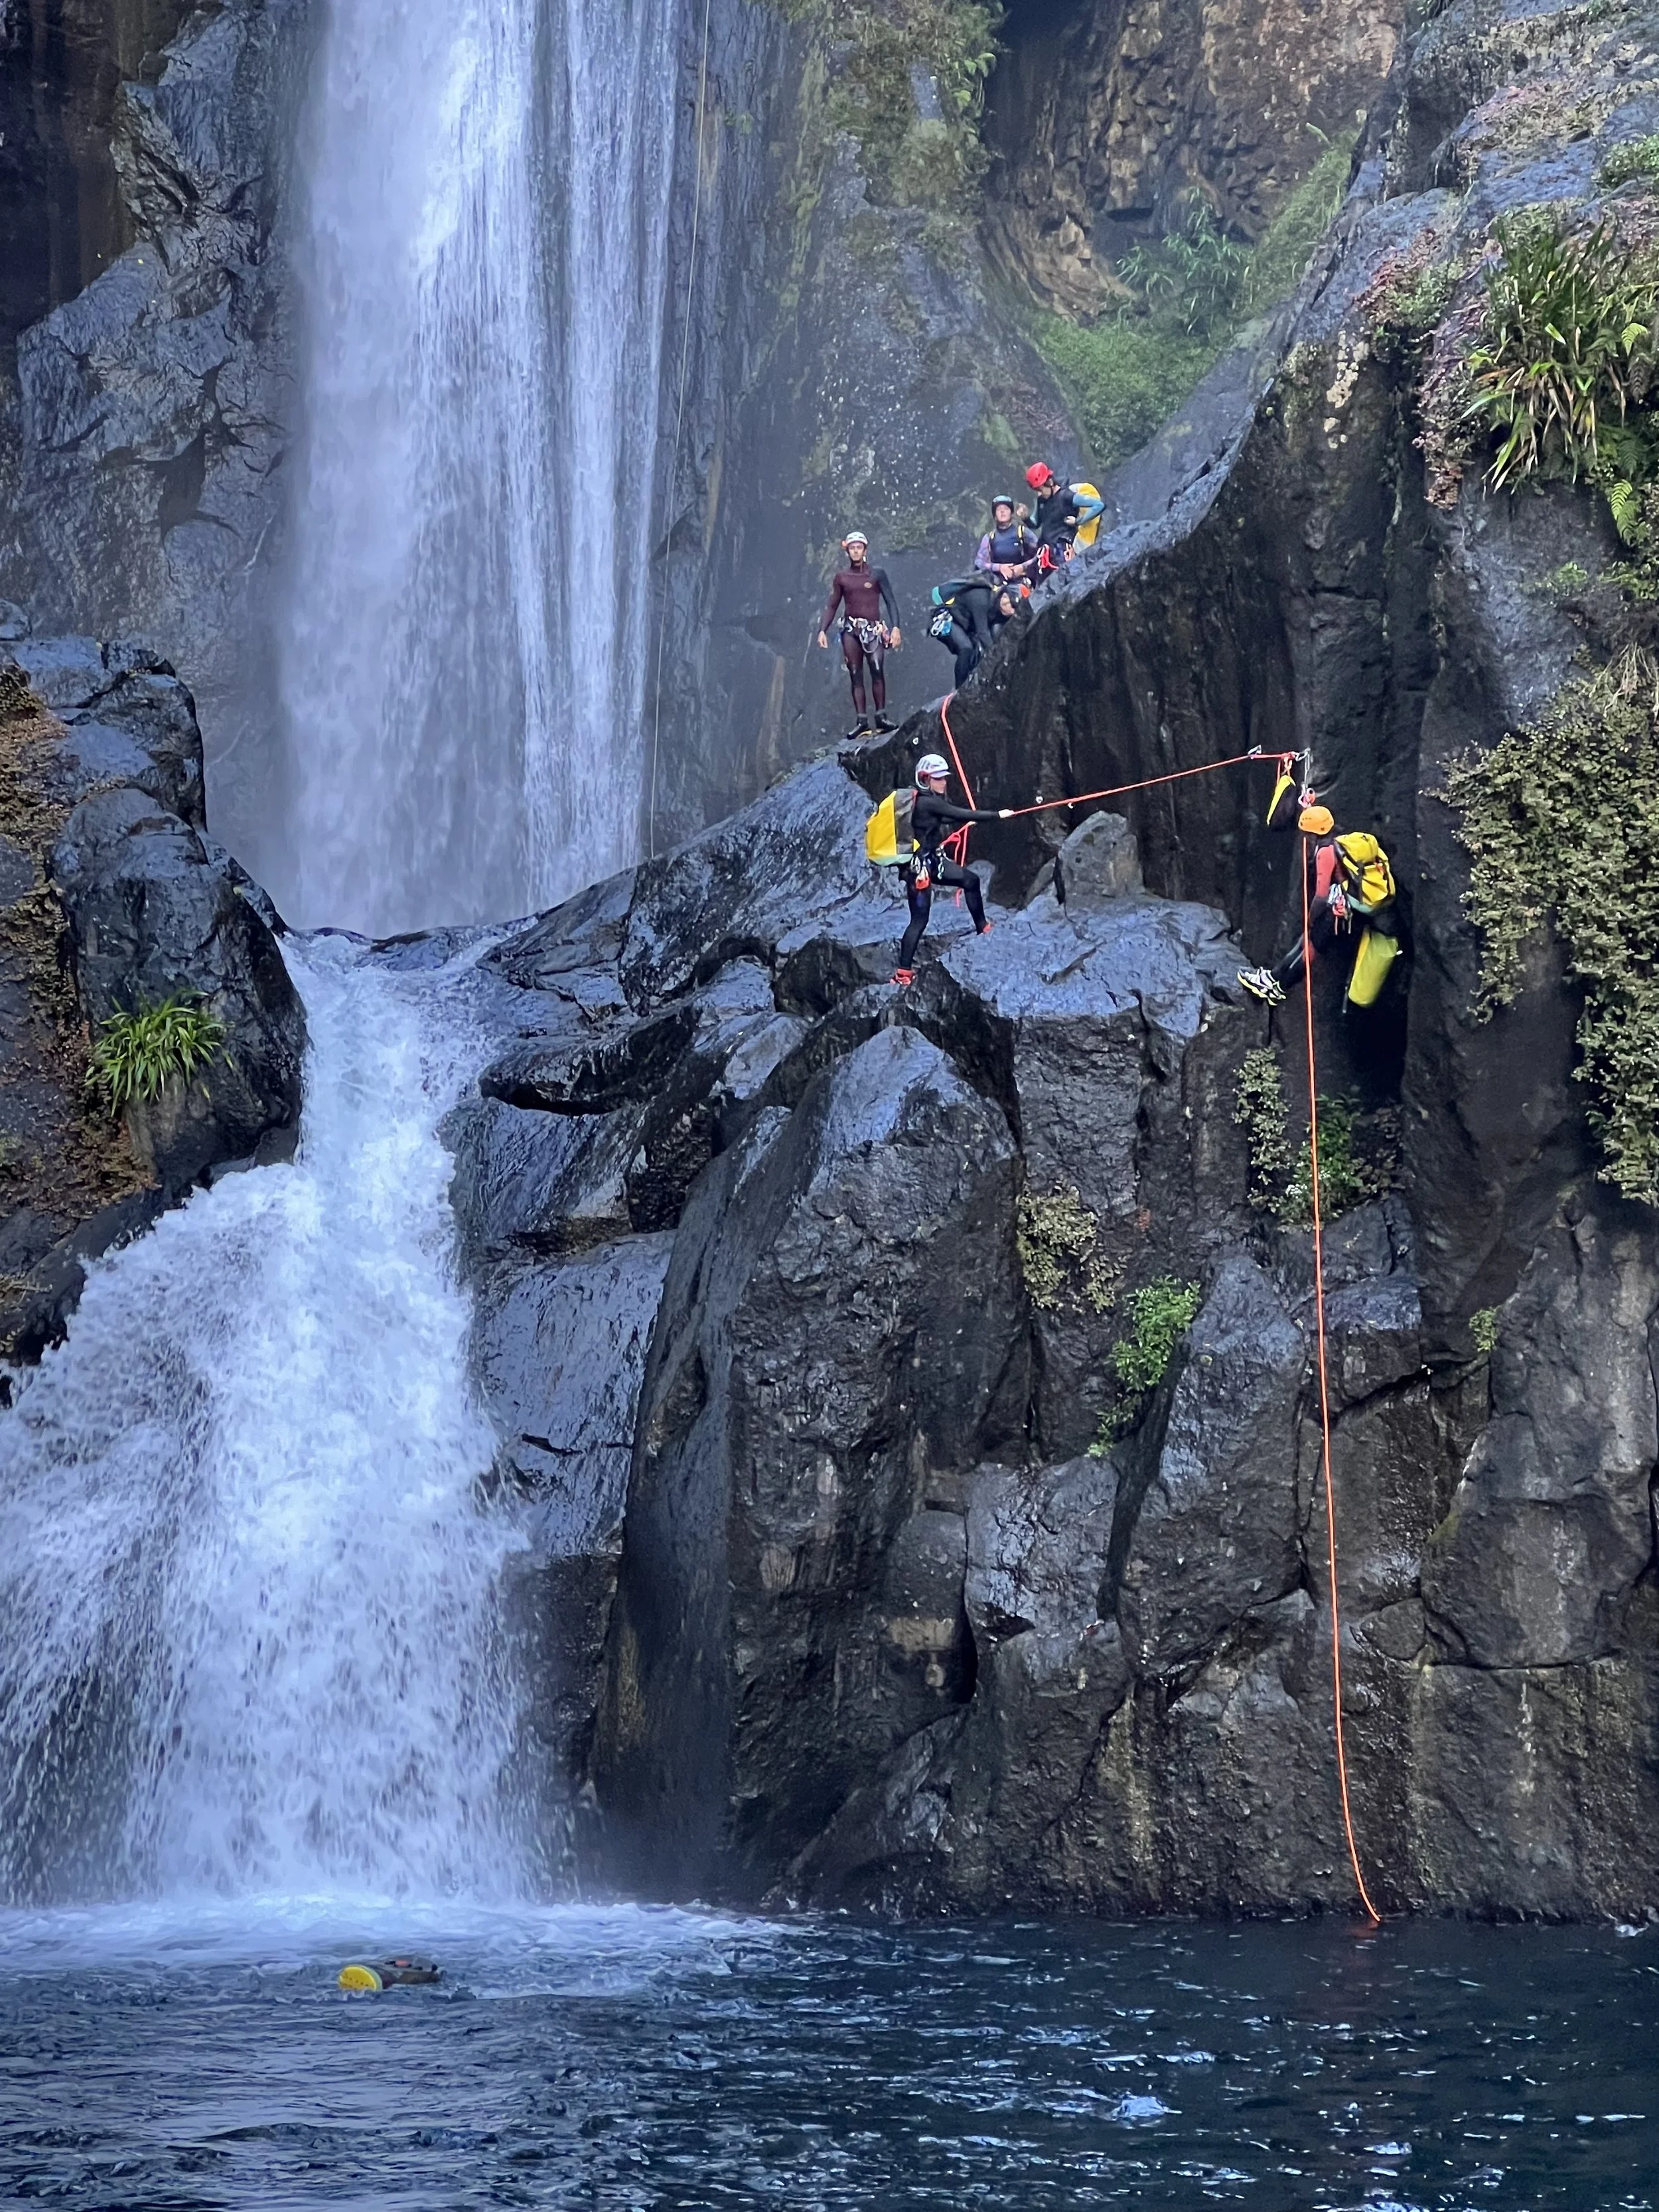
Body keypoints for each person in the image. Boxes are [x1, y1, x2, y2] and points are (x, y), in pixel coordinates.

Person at [1238, 796, 1400, 1007]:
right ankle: (1272, 979)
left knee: (1310, 949)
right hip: (1363, 906)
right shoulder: (1340, 838)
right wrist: (1308, 808)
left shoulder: (1326, 853)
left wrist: (1310, 917)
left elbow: (1322, 895)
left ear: (1312, 833)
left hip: (1342, 913)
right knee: (1304, 942)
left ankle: (1278, 987)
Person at [892, 752, 1008, 984]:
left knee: (971, 880)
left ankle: (982, 926)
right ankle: (903, 973)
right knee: (919, 920)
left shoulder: (922, 802)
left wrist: (965, 819)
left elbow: (942, 818)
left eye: (944, 778)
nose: (944, 782)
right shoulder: (929, 802)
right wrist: (998, 815)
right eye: (938, 778)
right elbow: (959, 813)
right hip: (920, 870)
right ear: (925, 779)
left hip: (932, 861)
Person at [818, 532, 901, 737]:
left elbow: (890, 601)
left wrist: (896, 628)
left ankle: (881, 717)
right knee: (855, 674)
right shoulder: (842, 578)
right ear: (847, 550)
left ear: (865, 550)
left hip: (873, 629)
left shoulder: (877, 574)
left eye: (859, 548)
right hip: (850, 630)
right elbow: (832, 604)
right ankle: (862, 720)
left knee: (877, 670)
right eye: (852, 548)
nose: (855, 551)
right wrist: (822, 630)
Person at [928, 575, 1028, 687]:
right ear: (1004, 596)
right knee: (966, 648)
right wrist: (998, 656)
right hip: (949, 619)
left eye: (1017, 609)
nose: (1013, 612)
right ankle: (959, 689)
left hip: (968, 624)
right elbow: (983, 633)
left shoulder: (1001, 610)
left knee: (978, 654)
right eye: (1013, 606)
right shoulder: (981, 599)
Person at [1025, 463, 1106, 564]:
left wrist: (1078, 521)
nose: (1039, 494)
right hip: (1046, 553)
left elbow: (1099, 505)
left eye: (1040, 490)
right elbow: (1035, 524)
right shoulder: (1042, 501)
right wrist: (1025, 518)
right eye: (1036, 490)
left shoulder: (1066, 496)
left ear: (1050, 482)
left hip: (1063, 552)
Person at [974, 494, 1038, 581]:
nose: (1002, 511)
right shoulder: (989, 538)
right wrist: (999, 568)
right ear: (995, 515)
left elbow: (1041, 554)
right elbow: (979, 562)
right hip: (998, 585)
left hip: (1023, 582)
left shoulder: (1023, 532)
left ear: (1011, 513)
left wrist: (1023, 567)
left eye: (1006, 509)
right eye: (999, 509)